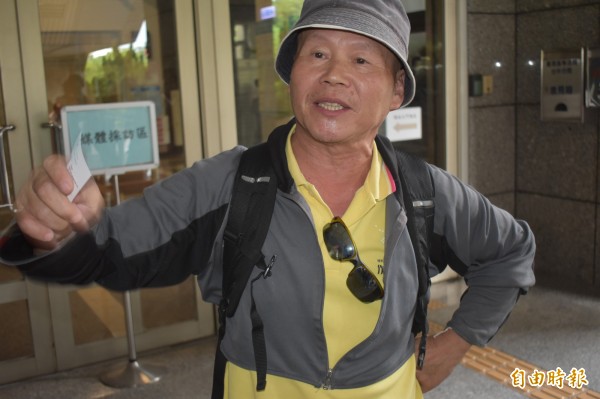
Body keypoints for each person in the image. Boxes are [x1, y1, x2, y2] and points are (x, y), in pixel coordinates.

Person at [0, 0, 535, 398]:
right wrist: (65, 229)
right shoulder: (233, 183)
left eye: (362, 61)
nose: (334, 75)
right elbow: (110, 251)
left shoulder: (423, 192)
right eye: (318, 53)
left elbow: (511, 252)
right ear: (292, 75)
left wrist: (457, 342)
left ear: (397, 92)